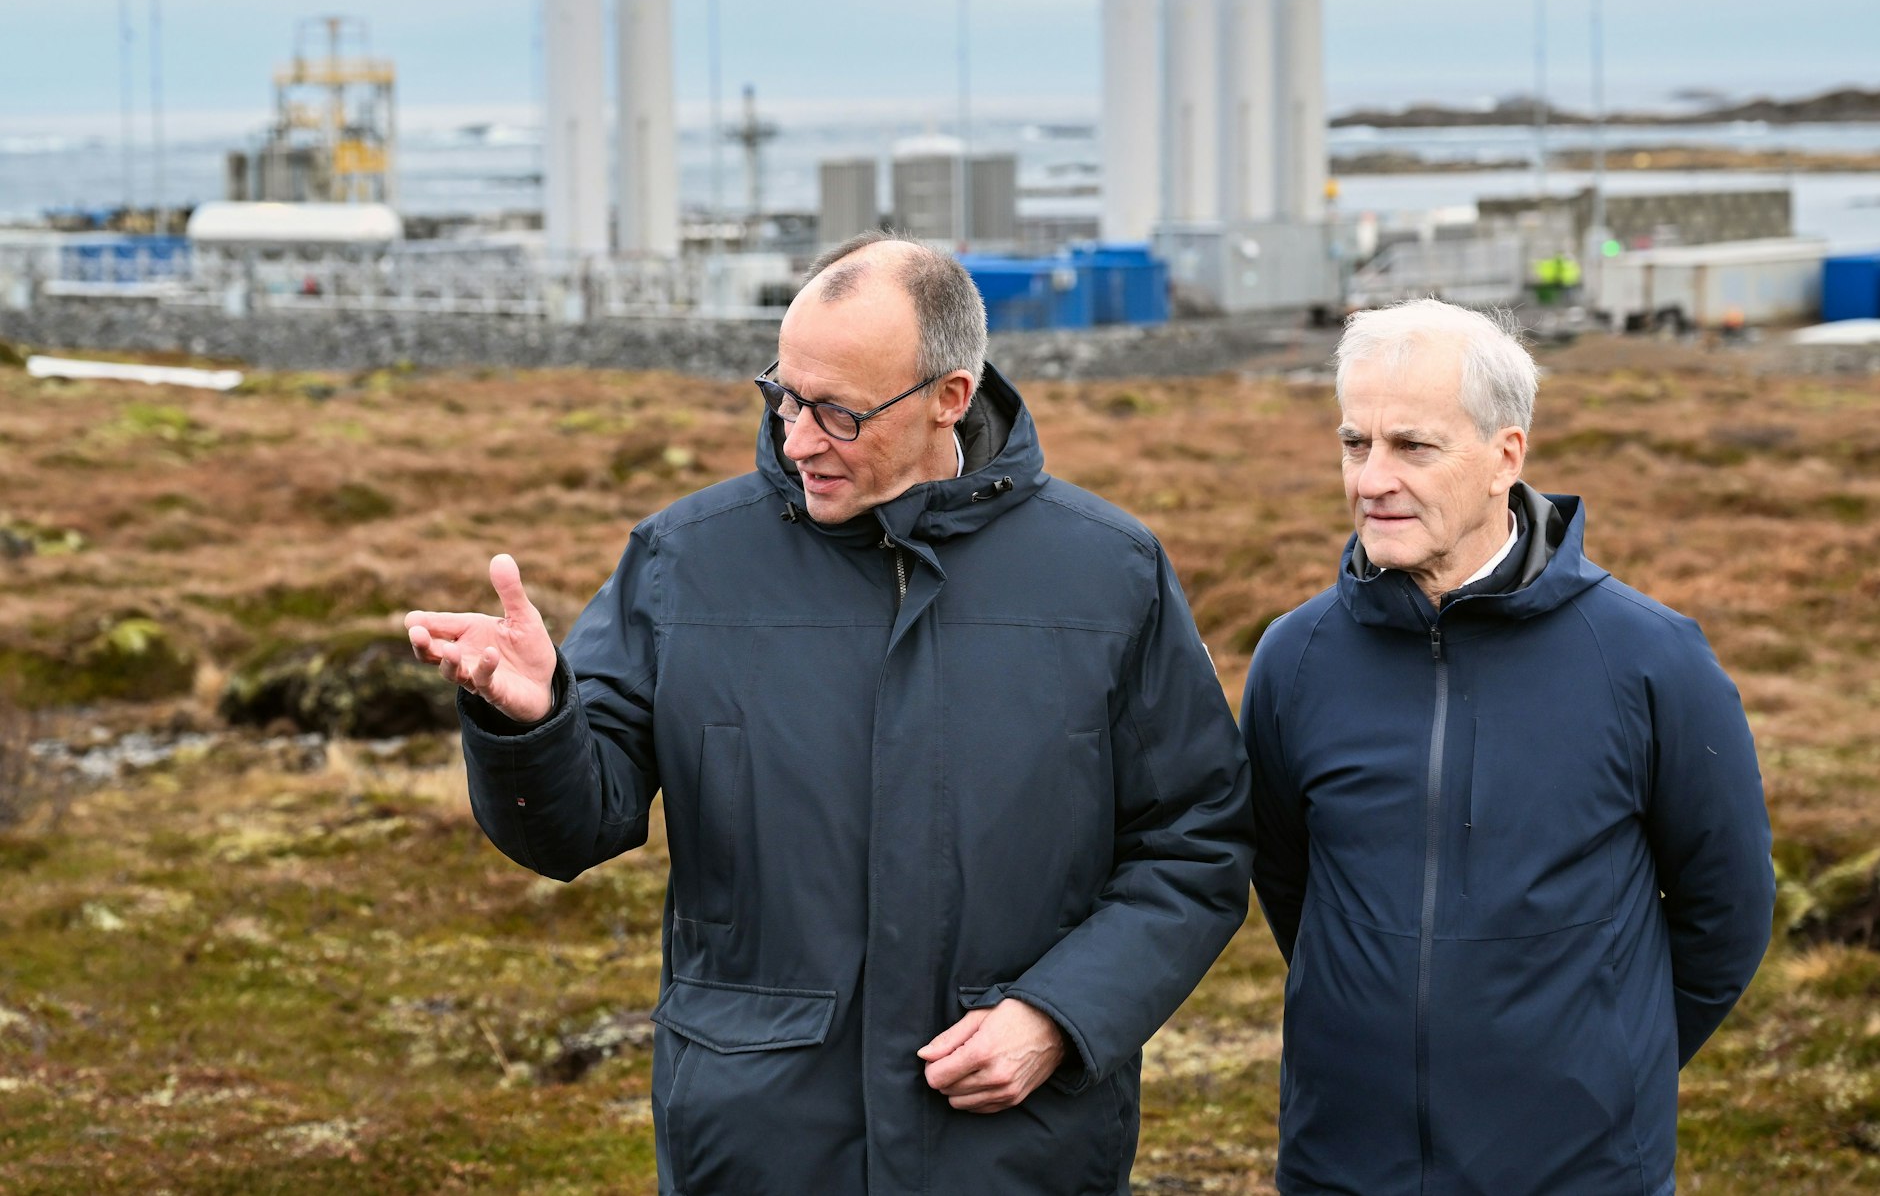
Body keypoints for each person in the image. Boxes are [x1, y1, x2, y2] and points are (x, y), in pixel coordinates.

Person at [406, 233, 1252, 1195]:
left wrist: (1060, 1015)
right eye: (785, 397)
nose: (799, 438)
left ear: (950, 398)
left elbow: (1196, 843)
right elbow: (571, 829)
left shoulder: (1111, 573)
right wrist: (533, 723)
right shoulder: (684, 561)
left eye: (839, 414)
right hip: (759, 1144)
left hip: (1017, 1150)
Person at [1239, 298, 1774, 1195]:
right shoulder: (1295, 658)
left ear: (1506, 457)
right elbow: (1291, 885)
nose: (1371, 479)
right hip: (1343, 1162)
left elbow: (1729, 910)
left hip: (1579, 1168)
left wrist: (1607, 1063)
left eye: (1412, 446)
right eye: (1353, 443)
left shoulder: (1648, 656)